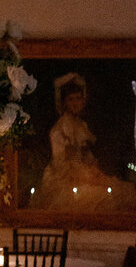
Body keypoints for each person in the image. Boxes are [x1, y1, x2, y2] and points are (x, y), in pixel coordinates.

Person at [32, 73, 135, 211]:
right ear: (64, 103)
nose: (76, 103)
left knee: (124, 191)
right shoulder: (59, 129)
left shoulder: (82, 125)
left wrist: (93, 168)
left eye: (78, 98)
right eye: (71, 99)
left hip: (87, 175)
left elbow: (88, 157)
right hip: (66, 181)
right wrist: (83, 170)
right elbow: (60, 165)